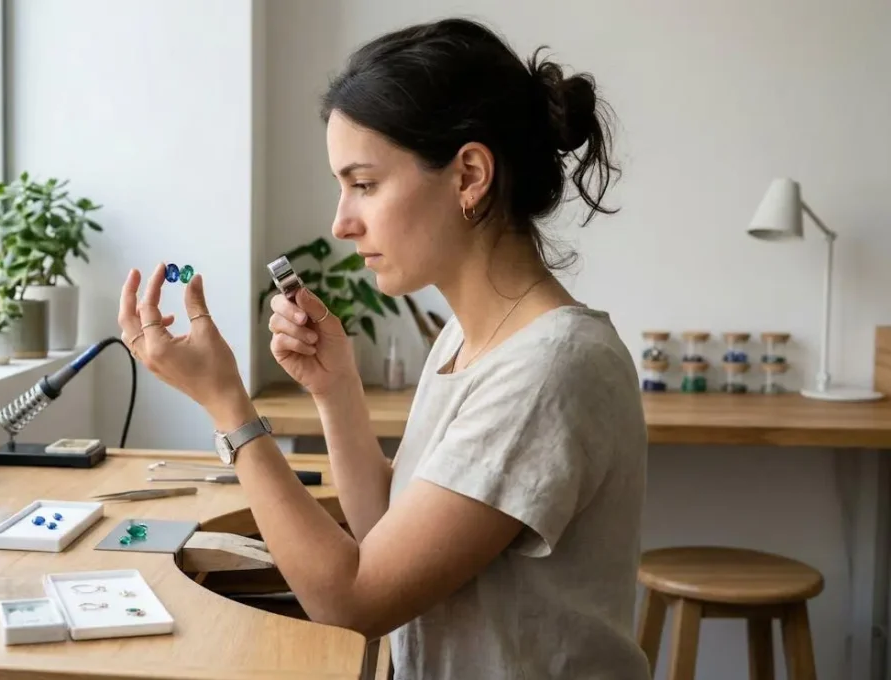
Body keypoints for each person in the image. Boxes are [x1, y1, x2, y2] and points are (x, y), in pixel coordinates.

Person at [117, 17, 650, 680]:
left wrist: (228, 405)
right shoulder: (468, 337)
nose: (342, 222)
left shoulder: (551, 367)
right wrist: (336, 388)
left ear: (470, 176)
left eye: (364, 184)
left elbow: (353, 599)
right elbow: (384, 540)